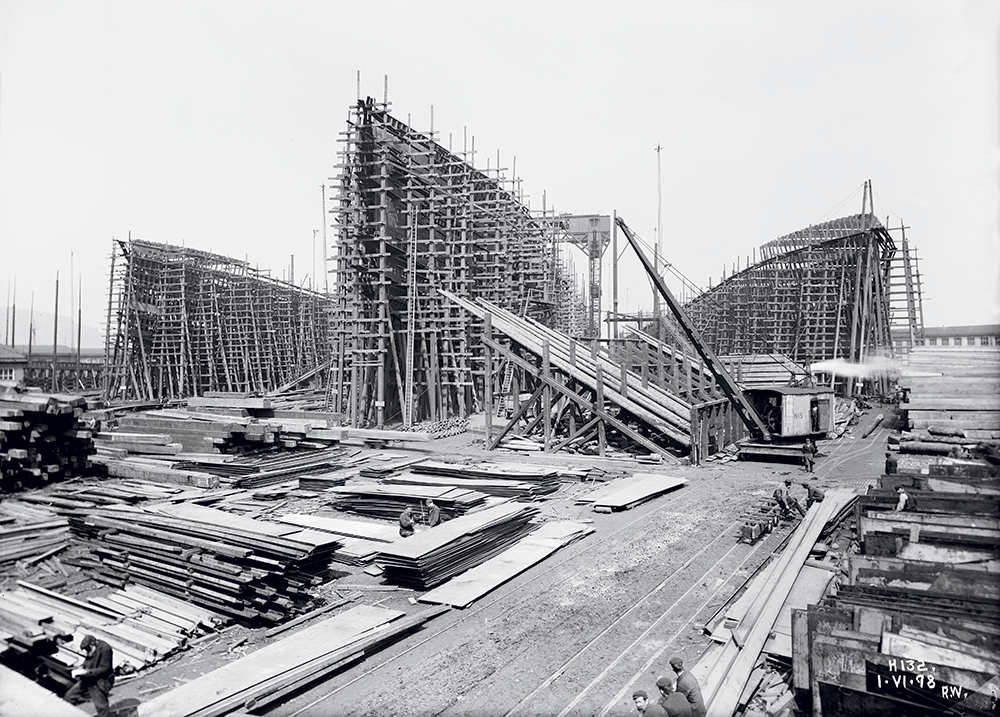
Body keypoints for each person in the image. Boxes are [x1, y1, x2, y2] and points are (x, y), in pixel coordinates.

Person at [64, 634, 114, 717]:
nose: (87, 651)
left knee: (101, 706)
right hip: (88, 678)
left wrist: (86, 672)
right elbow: (88, 660)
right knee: (69, 696)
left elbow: (105, 668)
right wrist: (82, 667)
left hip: (100, 681)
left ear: (92, 643)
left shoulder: (105, 649)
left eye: (88, 649)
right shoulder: (91, 649)